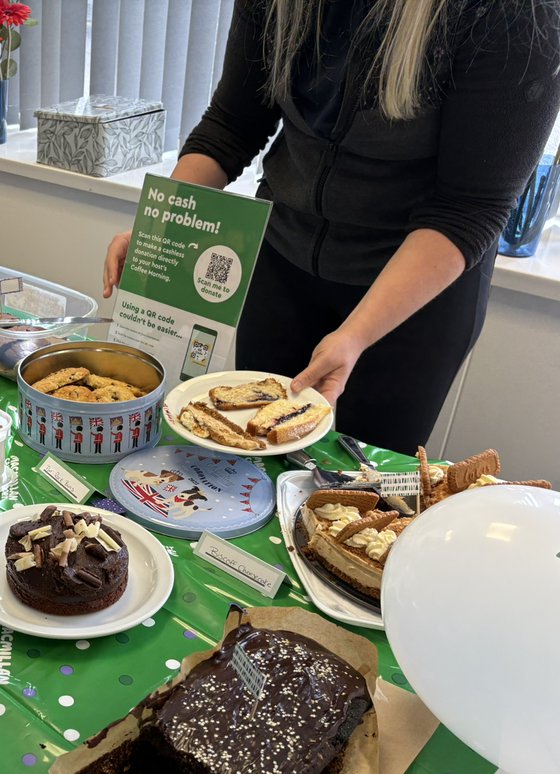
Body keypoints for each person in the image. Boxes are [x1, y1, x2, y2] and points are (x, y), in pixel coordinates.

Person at [102, 0, 560, 453]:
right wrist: (162, 231)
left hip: (414, 290)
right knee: (251, 457)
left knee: (366, 483)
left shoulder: (511, 12)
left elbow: (469, 206)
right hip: (283, 257)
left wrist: (355, 335)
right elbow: (232, 124)